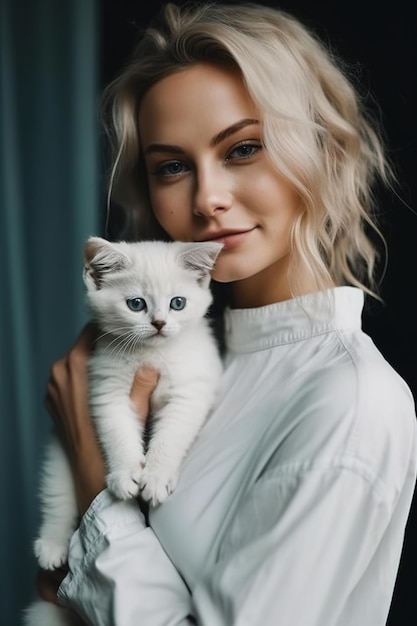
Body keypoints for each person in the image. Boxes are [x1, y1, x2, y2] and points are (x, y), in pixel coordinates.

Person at [38, 2, 417, 624]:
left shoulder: (349, 403)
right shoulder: (181, 356)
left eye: (243, 149)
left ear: (321, 150)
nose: (208, 198)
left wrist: (93, 489)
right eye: (173, 166)